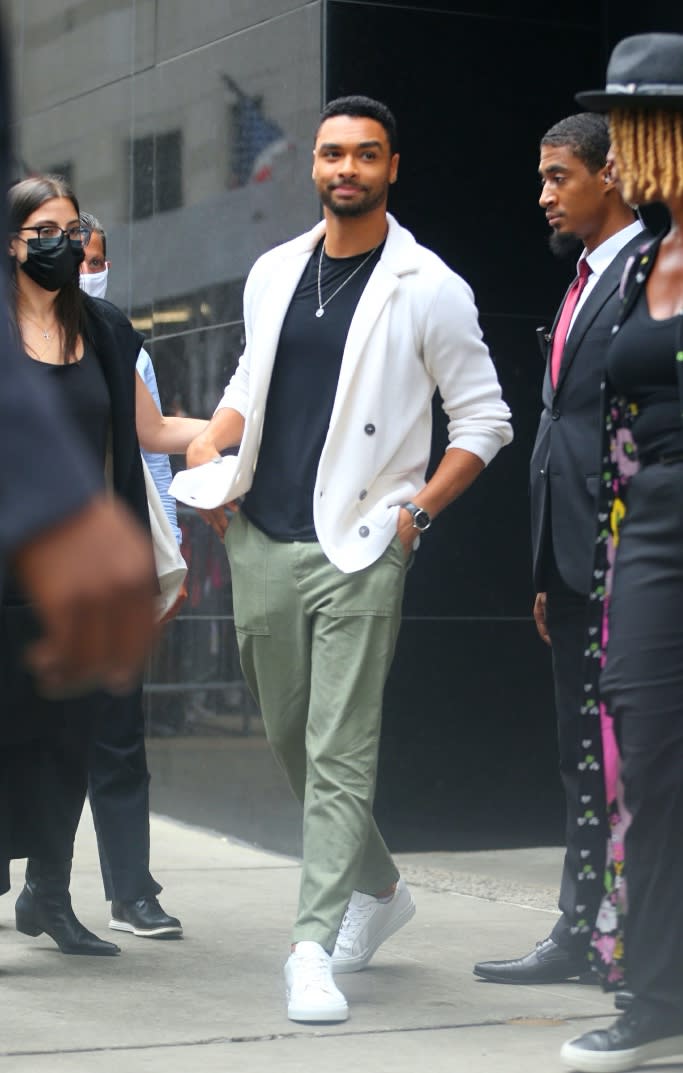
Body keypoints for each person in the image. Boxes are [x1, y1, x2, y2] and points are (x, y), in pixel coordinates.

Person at [179, 95, 512, 1023]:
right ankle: (378, 888)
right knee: (290, 738)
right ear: (313, 165)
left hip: (364, 546)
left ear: (392, 168)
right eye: (332, 155)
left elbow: (484, 419)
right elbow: (251, 377)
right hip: (260, 537)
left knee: (338, 750)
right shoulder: (275, 269)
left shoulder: (427, 284)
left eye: (366, 156)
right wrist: (215, 457)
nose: (346, 170)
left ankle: (310, 945)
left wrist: (417, 514)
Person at [1, 174, 206, 954]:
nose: (64, 242)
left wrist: (233, 427)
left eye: (71, 226)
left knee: (69, 735)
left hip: (85, 566)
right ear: (12, 243)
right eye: (42, 230)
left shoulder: (109, 330)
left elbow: (151, 430)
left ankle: (49, 893)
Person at [474, 115, 646, 988]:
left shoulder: (651, 274)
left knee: (628, 761)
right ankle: (579, 931)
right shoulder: (580, 277)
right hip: (572, 561)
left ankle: (624, 940)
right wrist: (549, 565)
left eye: (556, 176)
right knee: (580, 758)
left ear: (609, 175)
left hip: (635, 560)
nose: (542, 195)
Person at [559, 33, 683, 1072]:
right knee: (644, 758)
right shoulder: (642, 255)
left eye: (633, 131)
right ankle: (650, 993)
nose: (617, 155)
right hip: (645, 531)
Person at [79, 212, 183, 547]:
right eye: (77, 263)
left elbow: (155, 451)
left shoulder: (131, 353)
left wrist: (171, 548)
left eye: (95, 264)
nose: (86, 274)